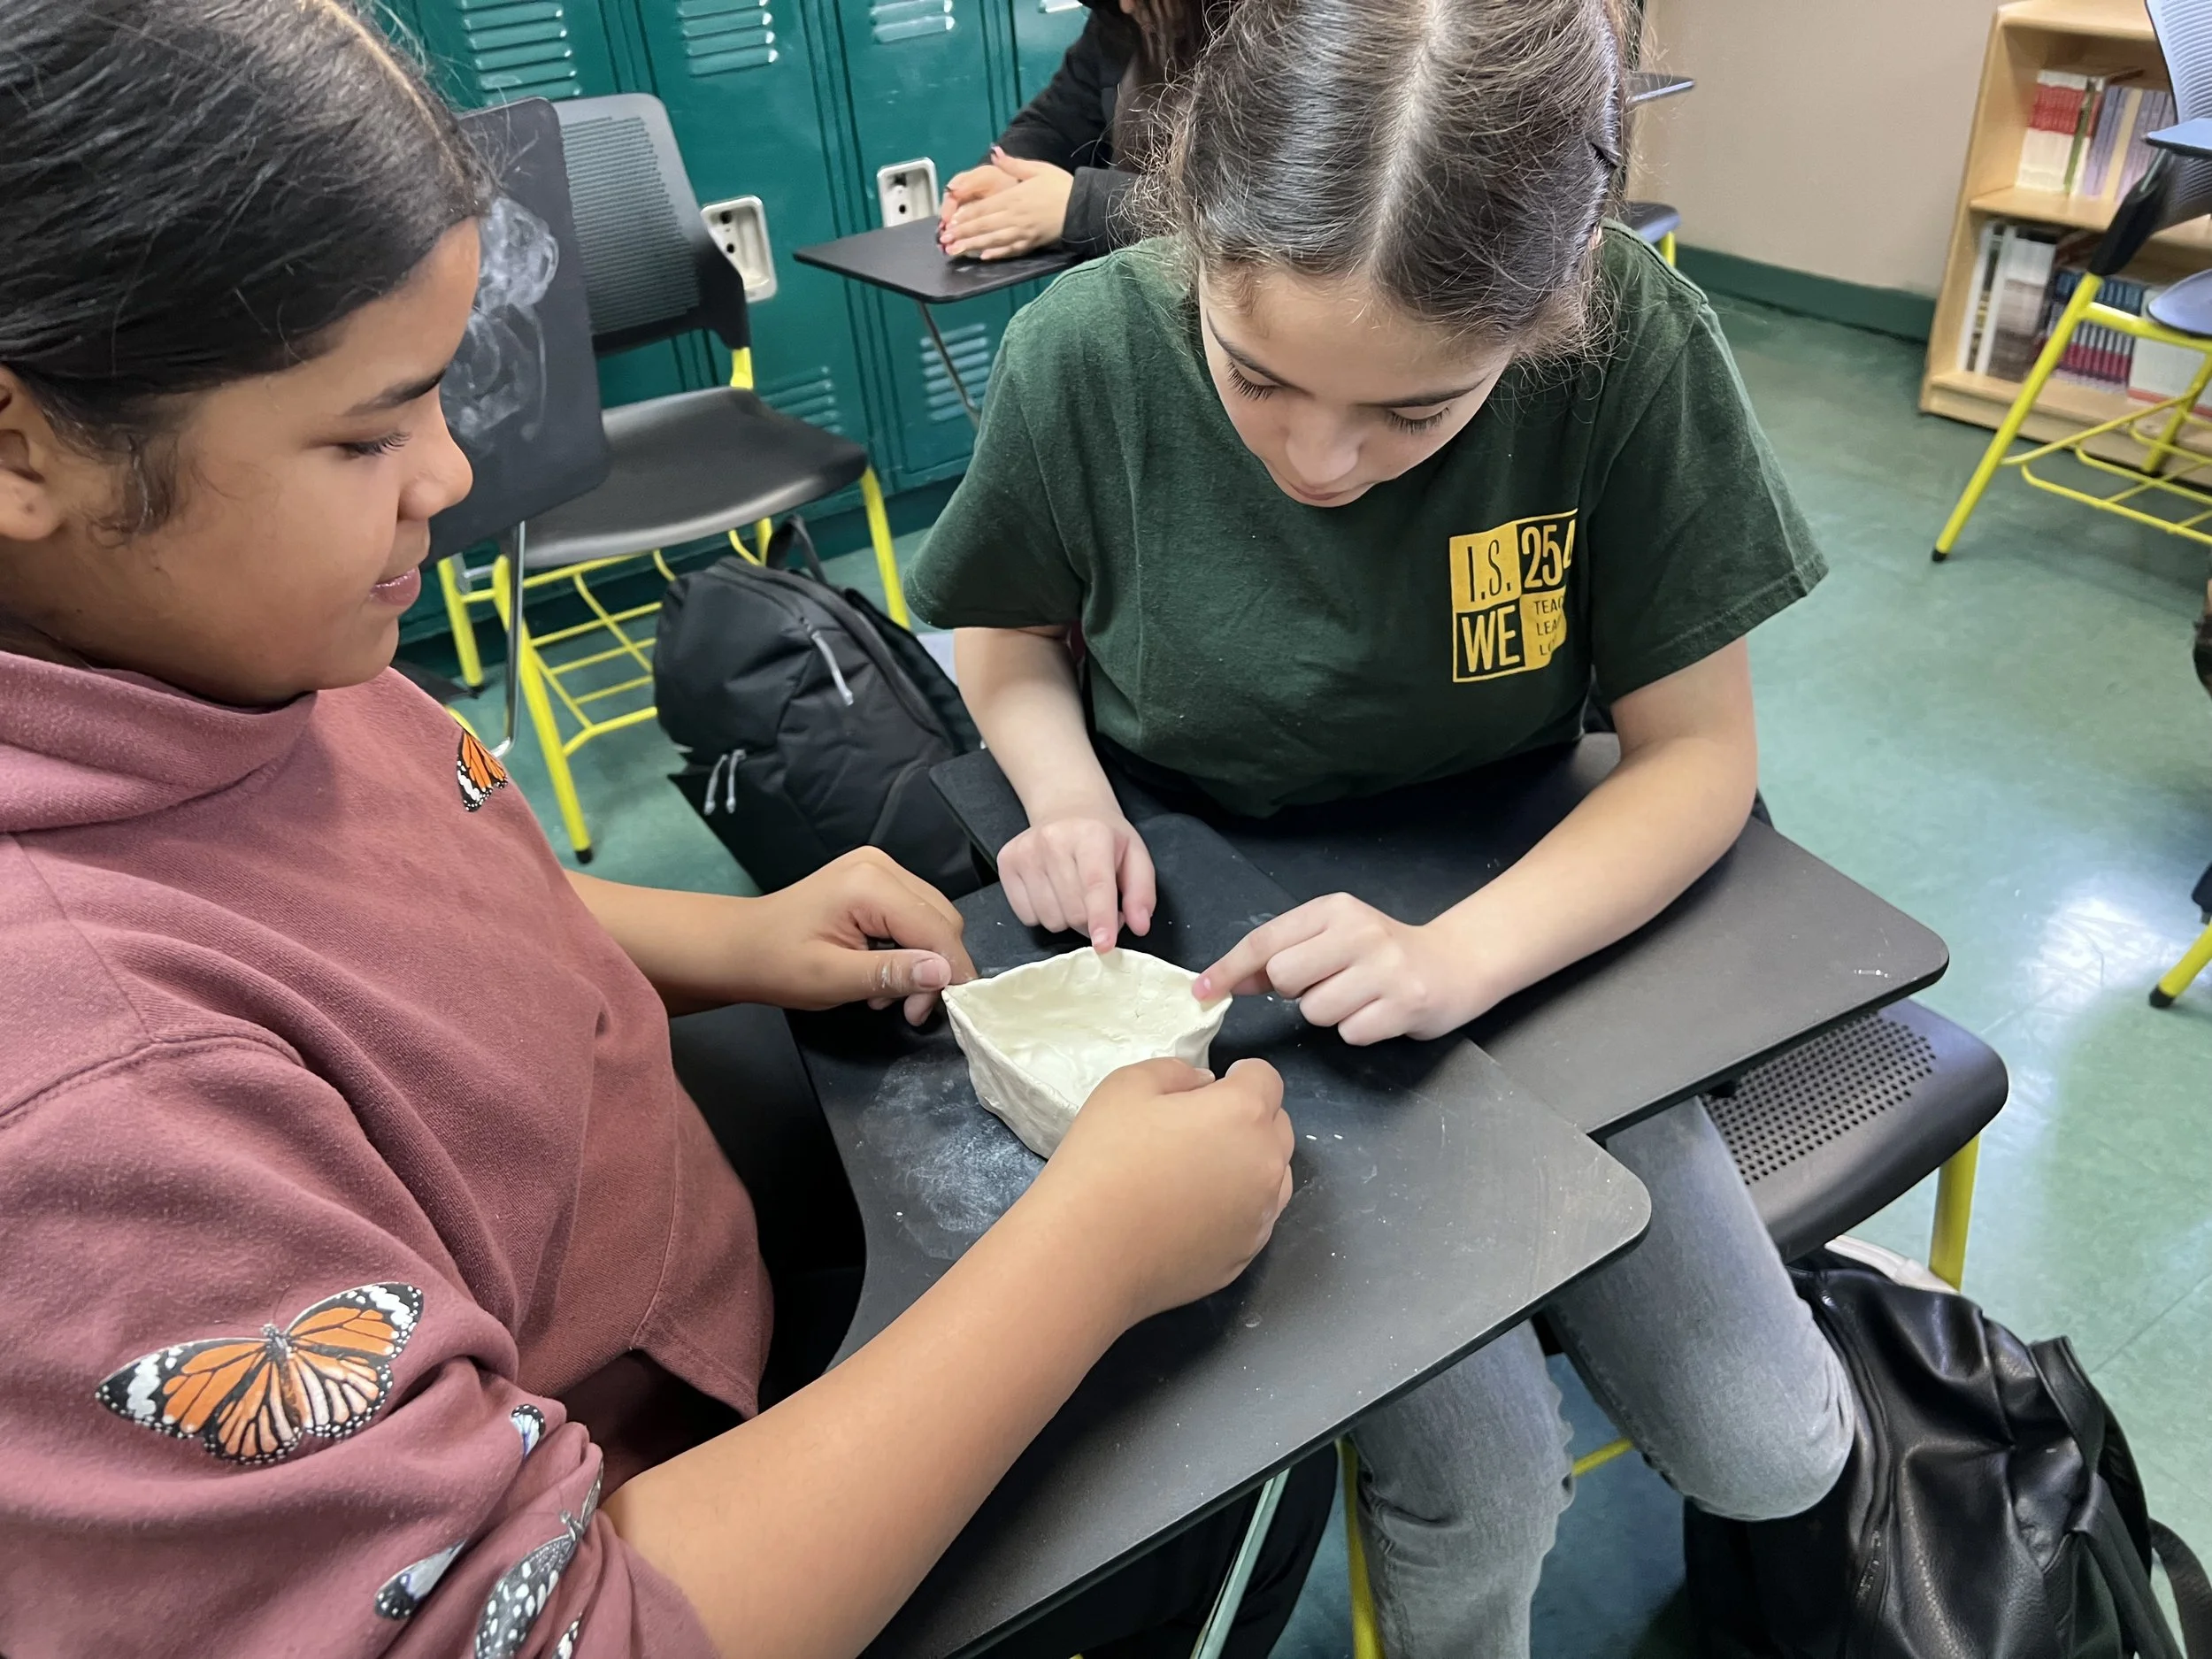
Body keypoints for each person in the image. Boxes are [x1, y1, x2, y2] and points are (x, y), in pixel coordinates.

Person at [0, 4, 1335, 1655]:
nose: (447, 474)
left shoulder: (212, 635)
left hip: (666, 1249)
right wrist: (1090, 1258)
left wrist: (731, 938)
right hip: (663, 1512)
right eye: (364, 434)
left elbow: (405, 897)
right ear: (24, 451)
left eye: (436, 397)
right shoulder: (87, 1115)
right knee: (1242, 1441)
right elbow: (559, 1623)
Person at [907, 0, 1858, 1655]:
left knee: (1774, 1443)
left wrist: (1459, 958)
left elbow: (1697, 755)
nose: (1322, 459)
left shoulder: (1632, 346)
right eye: (1255, 373)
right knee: (1482, 1489)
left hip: (1514, 907)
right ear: (1195, 233)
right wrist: (1065, 794)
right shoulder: (1088, 350)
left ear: (1554, 310)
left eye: (1418, 412)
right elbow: (1003, 631)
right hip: (1218, 927)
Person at [937, 0, 1229, 262]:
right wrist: (1009, 173)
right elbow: (1060, 120)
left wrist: (1081, 207)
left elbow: (1236, 205)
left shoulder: (1255, 42)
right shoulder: (1119, 21)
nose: (1126, 5)